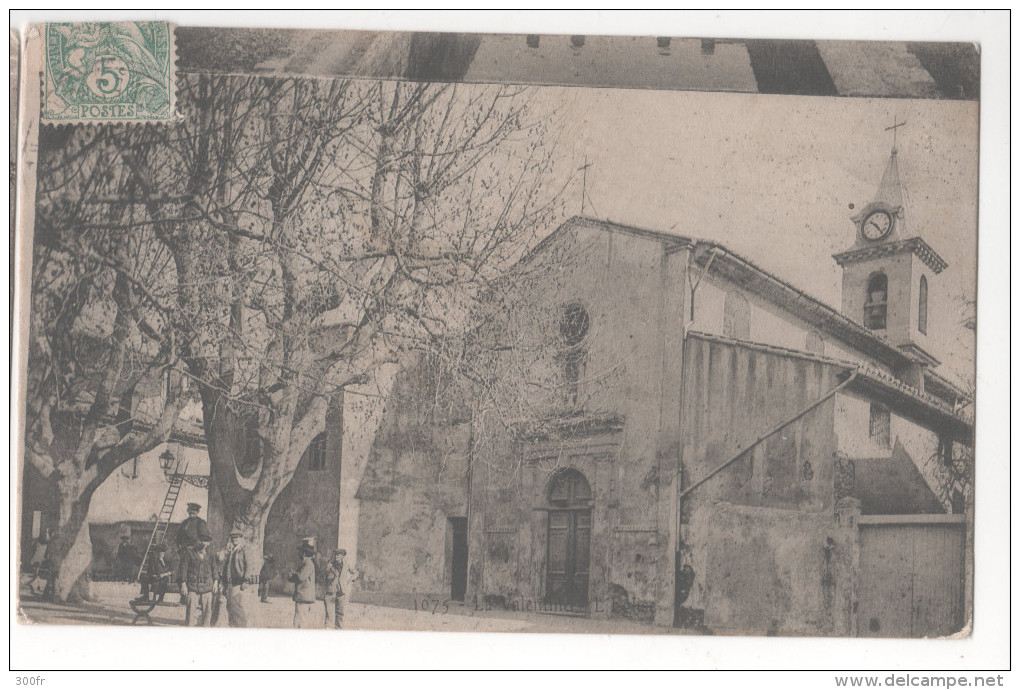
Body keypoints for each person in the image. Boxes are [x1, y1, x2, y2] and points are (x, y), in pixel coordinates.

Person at [178, 533, 216, 626]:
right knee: (190, 612)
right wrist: (183, 583)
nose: (203, 544)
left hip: (207, 587)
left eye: (205, 542)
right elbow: (184, 569)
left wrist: (216, 582)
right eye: (201, 541)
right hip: (193, 587)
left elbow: (215, 569)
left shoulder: (211, 555)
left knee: (207, 613)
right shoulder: (189, 553)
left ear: (208, 544)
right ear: (198, 542)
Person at [221, 526, 254, 627]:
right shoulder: (232, 551)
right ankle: (233, 627)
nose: (234, 539)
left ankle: (241, 628)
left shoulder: (244, 550)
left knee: (238, 608)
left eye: (237, 537)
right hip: (231, 583)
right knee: (230, 606)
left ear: (241, 538)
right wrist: (225, 584)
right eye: (233, 538)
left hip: (239, 583)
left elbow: (249, 566)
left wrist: (246, 581)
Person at [288, 537, 318, 628]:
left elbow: (300, 577)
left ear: (304, 553)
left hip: (304, 596)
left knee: (301, 619)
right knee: (299, 617)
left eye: (300, 552)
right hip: (303, 595)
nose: (299, 553)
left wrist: (293, 574)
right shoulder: (306, 563)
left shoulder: (308, 563)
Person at [324, 548, 357, 629]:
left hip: (341, 592)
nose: (336, 557)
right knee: (329, 615)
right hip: (330, 592)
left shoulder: (346, 565)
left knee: (340, 614)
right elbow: (325, 572)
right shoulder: (330, 565)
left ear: (342, 556)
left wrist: (350, 580)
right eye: (335, 555)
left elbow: (355, 572)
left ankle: (338, 632)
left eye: (338, 555)